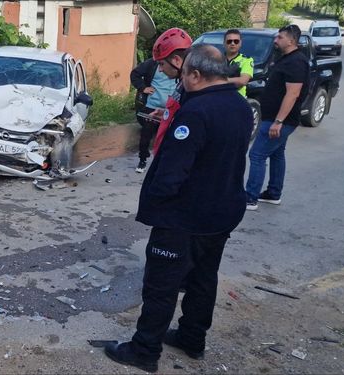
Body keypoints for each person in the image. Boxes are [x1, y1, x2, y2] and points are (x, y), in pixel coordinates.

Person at [103, 44, 253, 373]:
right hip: (222, 212)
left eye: (184, 75)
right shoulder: (239, 106)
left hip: (185, 218)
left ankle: (144, 351)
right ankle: (192, 338)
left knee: (161, 286)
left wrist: (156, 205)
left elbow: (172, 174)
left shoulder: (197, 113)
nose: (180, 81)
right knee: (202, 279)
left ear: (196, 75)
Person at [245, 25, 309, 210]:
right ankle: (273, 193)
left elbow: (293, 93)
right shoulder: (286, 59)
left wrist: (278, 121)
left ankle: (250, 198)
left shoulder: (296, 62)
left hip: (279, 120)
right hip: (275, 118)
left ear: (291, 40)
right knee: (277, 154)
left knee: (256, 154)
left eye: (279, 37)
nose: (275, 40)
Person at [148, 28, 193, 156]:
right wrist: (166, 115)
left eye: (162, 64)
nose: (160, 70)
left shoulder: (190, 90)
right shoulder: (182, 84)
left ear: (177, 61)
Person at [130, 57, 176, 173]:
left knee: (170, 136)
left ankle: (165, 162)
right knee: (146, 134)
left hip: (171, 107)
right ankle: (142, 159)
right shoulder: (152, 64)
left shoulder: (180, 65)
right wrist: (143, 88)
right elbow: (135, 74)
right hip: (152, 105)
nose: (161, 69)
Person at [224, 29, 254, 97]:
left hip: (237, 99)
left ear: (240, 43)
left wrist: (218, 81)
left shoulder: (246, 60)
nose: (232, 43)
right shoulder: (217, 58)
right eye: (229, 41)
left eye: (236, 41)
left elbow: (242, 81)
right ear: (224, 43)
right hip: (218, 97)